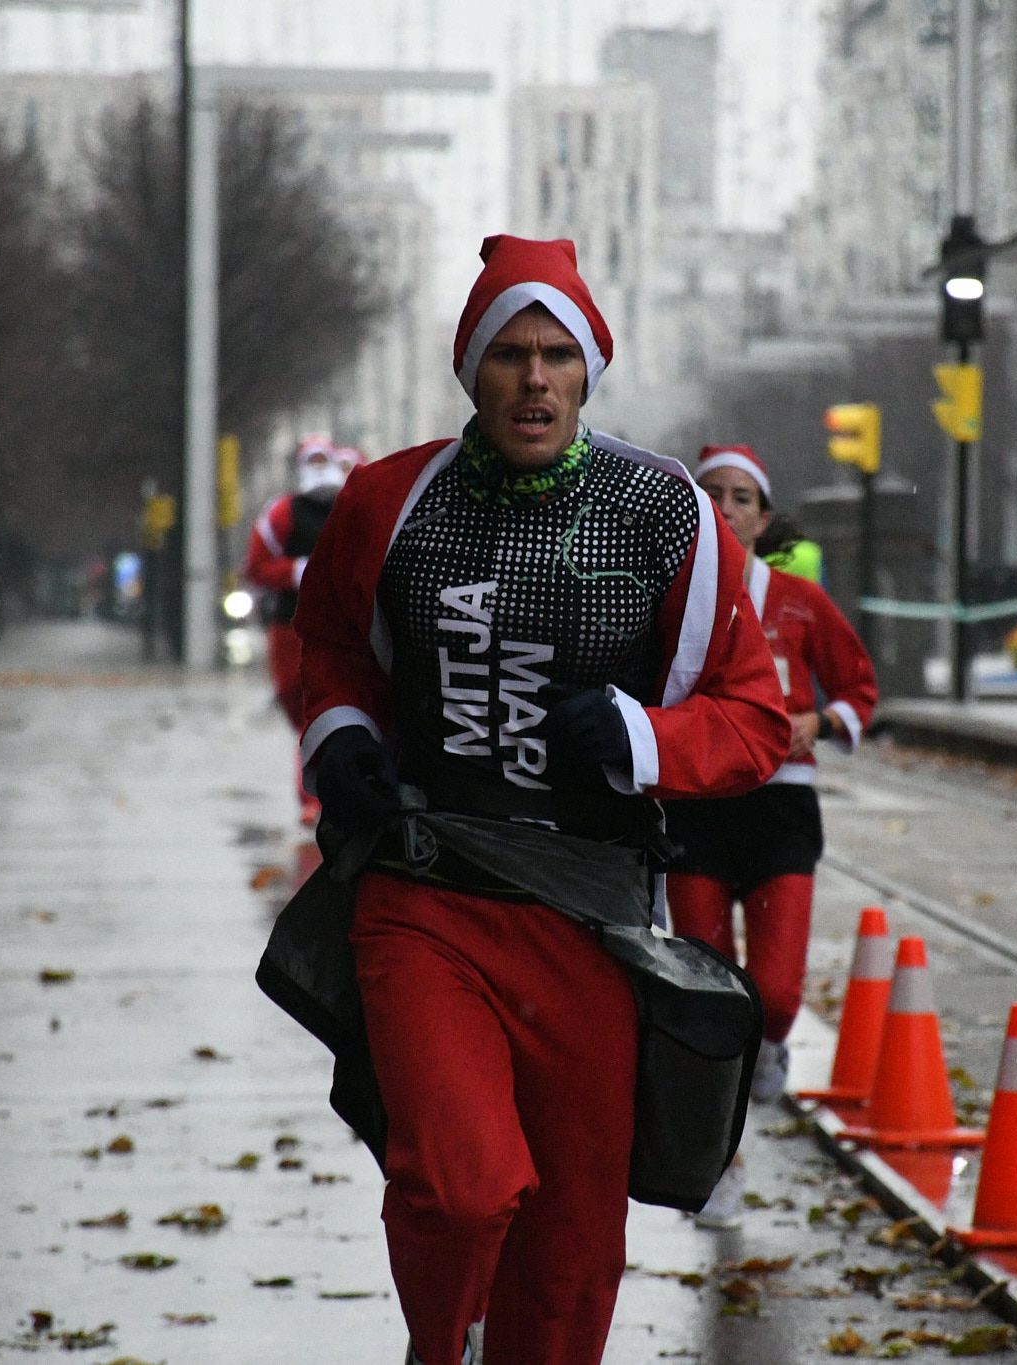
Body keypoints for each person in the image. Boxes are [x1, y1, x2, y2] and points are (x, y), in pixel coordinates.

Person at [288, 236, 791, 1365]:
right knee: (461, 1186)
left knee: (570, 1252)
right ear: (472, 368)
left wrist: (639, 737)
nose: (533, 378)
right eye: (509, 353)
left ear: (587, 371)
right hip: (427, 892)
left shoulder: (667, 514)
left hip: (591, 913)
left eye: (556, 355)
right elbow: (332, 646)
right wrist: (341, 737)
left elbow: (755, 719)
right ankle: (439, 1347)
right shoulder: (387, 500)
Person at [664, 444, 879, 1228]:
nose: (726, 508)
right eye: (711, 494)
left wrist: (822, 720)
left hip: (781, 807)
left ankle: (776, 1041)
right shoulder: (668, 592)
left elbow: (859, 687)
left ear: (763, 517)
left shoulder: (798, 600)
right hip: (696, 806)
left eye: (741, 497)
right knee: (710, 1001)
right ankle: (721, 1165)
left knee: (777, 993)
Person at [241, 437, 357, 822]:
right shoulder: (282, 513)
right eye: (315, 460)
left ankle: (316, 797)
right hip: (289, 628)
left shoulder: (355, 508)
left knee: (319, 712)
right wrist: (296, 572)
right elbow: (256, 566)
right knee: (299, 707)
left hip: (341, 630)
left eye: (328, 460)